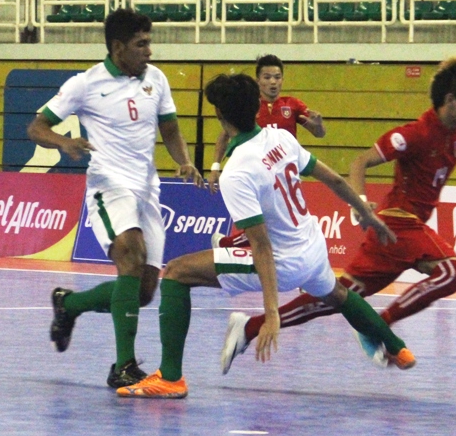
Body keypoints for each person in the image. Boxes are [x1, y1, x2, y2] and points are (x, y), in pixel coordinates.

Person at [229, 56, 456, 367]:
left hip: (396, 236)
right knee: (452, 273)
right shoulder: (415, 134)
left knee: (336, 297)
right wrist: (361, 203)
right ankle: (380, 327)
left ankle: (249, 327)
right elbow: (360, 161)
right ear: (451, 99)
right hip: (399, 222)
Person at [116, 73, 415, 399]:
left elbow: (261, 245)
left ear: (219, 115)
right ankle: (397, 347)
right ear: (257, 107)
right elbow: (335, 180)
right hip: (313, 247)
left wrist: (271, 314)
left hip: (284, 262)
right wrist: (365, 213)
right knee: (338, 295)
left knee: (176, 272)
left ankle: (170, 378)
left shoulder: (237, 172)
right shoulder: (281, 138)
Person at [26, 8, 204, 389]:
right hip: (108, 185)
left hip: (147, 189)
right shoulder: (85, 83)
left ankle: (69, 305)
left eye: (149, 42)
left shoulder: (156, 79)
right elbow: (37, 127)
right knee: (130, 254)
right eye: (141, 44)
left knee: (143, 292)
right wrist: (63, 142)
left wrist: (184, 161)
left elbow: (170, 130)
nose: (149, 51)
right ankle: (123, 366)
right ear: (118, 47)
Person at [208, 54, 326, 248]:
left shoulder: (292, 105)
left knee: (277, 222)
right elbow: (224, 135)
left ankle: (227, 243)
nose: (273, 82)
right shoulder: (248, 106)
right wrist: (215, 167)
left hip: (284, 172)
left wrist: (319, 125)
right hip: (257, 174)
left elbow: (318, 133)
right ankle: (230, 244)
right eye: (267, 77)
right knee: (265, 223)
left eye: (277, 77)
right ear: (258, 81)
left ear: (282, 80)